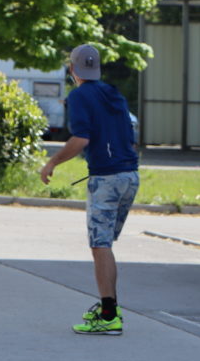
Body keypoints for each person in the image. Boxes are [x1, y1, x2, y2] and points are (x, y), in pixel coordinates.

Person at [40, 44, 140, 335]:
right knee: (105, 244)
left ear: (73, 69)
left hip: (106, 178)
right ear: (97, 68)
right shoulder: (114, 93)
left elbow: (80, 138)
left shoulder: (79, 95)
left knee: (100, 244)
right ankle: (109, 308)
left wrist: (52, 162)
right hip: (130, 175)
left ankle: (109, 314)